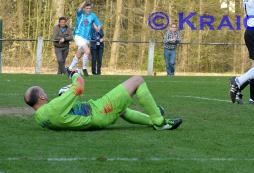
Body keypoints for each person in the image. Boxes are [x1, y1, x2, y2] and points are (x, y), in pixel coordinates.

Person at [24, 70, 182, 130]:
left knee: (122, 110)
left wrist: (64, 96)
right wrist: (74, 74)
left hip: (95, 113)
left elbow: (64, 112)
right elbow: (79, 87)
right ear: (42, 97)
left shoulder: (40, 119)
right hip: (99, 112)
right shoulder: (52, 108)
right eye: (44, 93)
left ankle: (153, 119)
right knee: (137, 80)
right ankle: (160, 122)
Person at [68, 0, 102, 76]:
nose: (88, 10)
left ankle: (69, 68)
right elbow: (79, 8)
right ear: (84, 8)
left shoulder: (93, 15)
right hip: (78, 35)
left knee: (79, 54)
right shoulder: (80, 14)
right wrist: (85, 2)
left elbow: (98, 24)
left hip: (87, 38)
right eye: (87, 8)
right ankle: (84, 68)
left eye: (89, 8)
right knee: (87, 51)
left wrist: (98, 28)